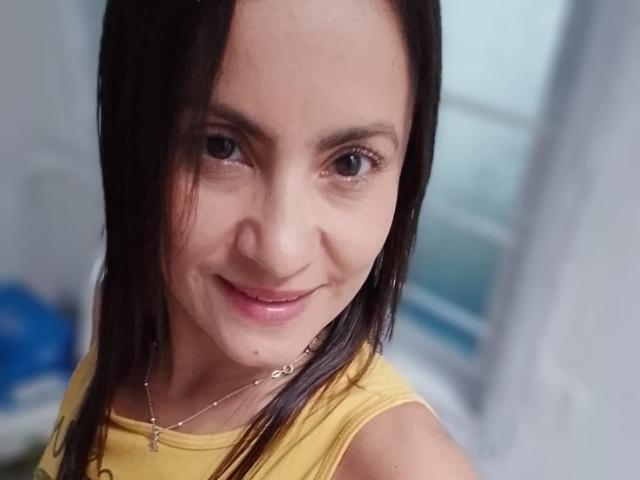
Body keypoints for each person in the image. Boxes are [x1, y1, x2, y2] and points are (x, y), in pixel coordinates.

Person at [36, 0, 477, 478]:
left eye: (350, 163)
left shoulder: (402, 467)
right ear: (134, 136)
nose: (280, 253)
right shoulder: (122, 318)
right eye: (220, 147)